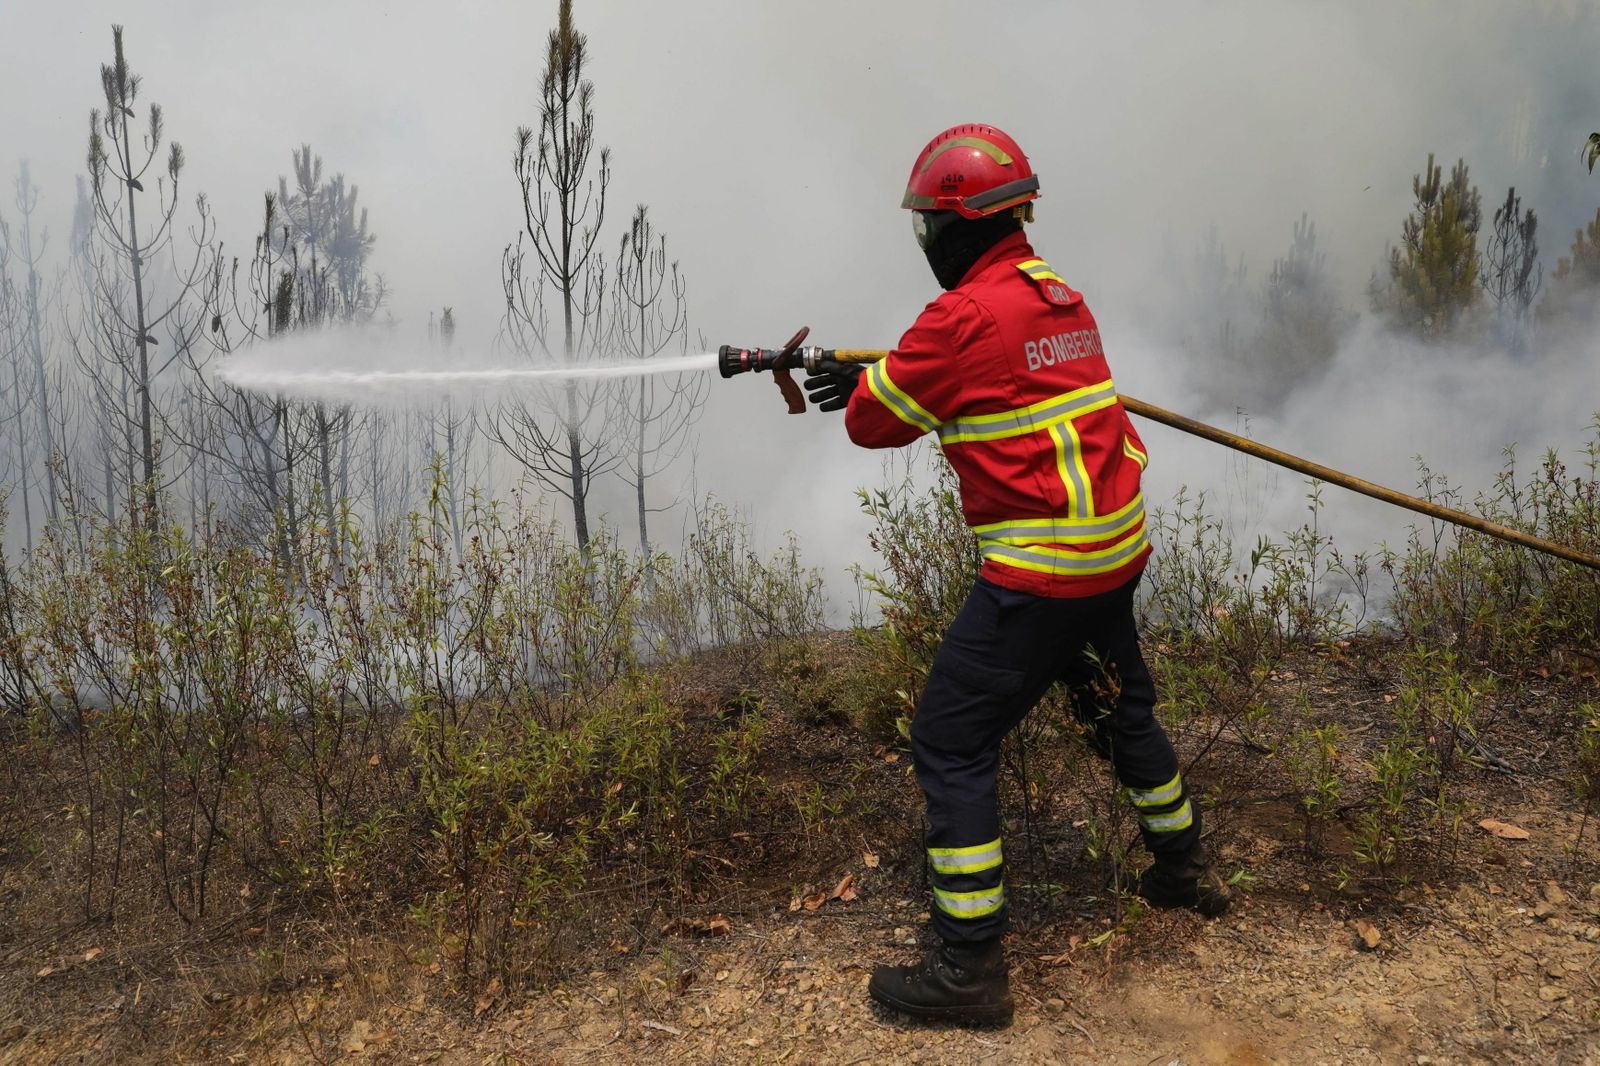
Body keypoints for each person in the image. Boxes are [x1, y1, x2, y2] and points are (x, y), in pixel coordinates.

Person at [803, 124, 1231, 1027]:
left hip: (1040, 574)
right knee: (1122, 711)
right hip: (1111, 554)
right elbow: (986, 384)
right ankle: (1184, 868)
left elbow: (873, 426)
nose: (926, 245)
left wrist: (870, 385)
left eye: (929, 227)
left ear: (957, 227)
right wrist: (883, 373)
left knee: (951, 740)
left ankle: (968, 969)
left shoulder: (958, 318)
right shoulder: (1058, 298)